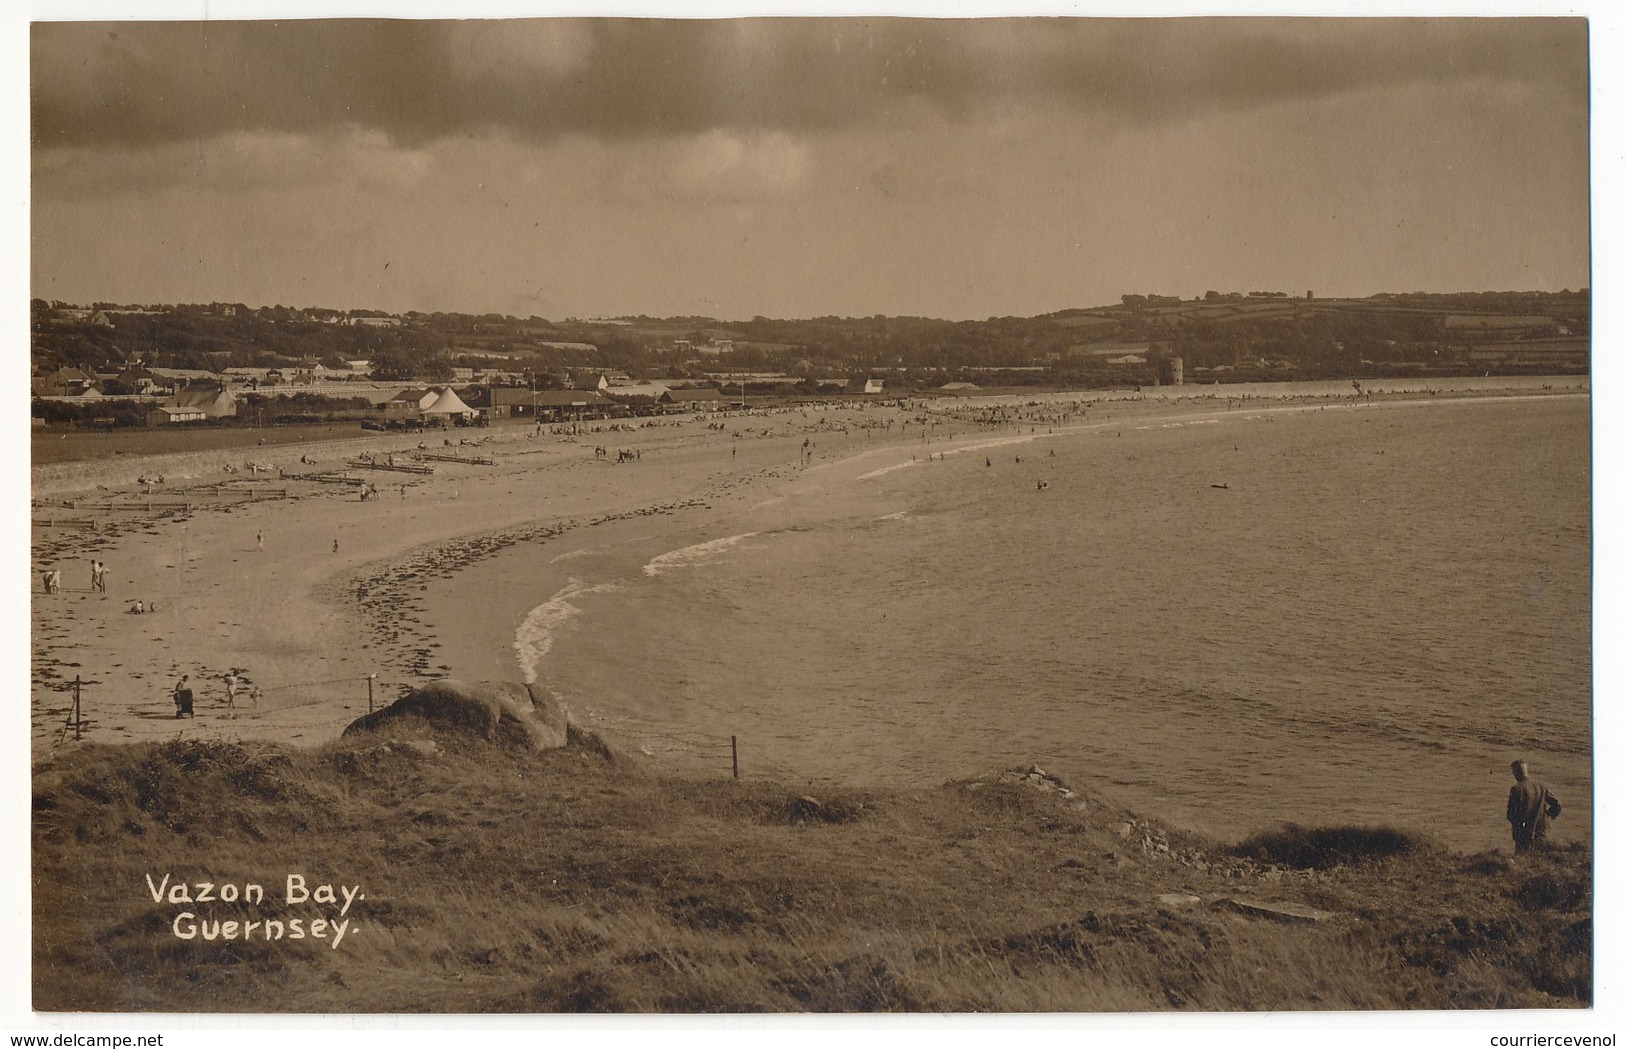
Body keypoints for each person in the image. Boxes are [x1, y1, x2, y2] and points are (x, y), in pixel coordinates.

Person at [1507, 759, 1561, 854]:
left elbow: (1511, 815)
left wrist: (1518, 826)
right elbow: (1557, 805)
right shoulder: (1541, 786)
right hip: (1542, 830)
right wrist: (1547, 817)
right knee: (1539, 859)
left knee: (1522, 861)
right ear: (1526, 771)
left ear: (1515, 772)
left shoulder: (1517, 789)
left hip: (1524, 834)